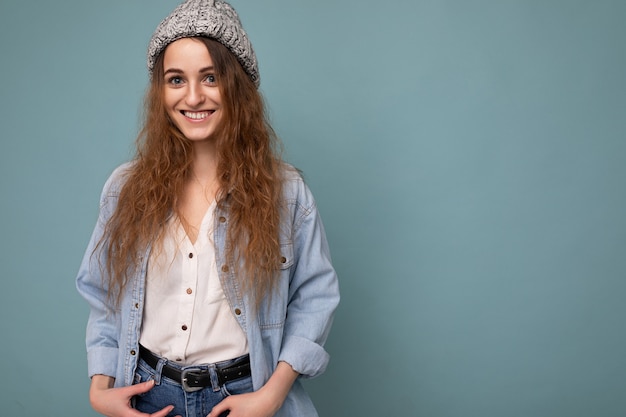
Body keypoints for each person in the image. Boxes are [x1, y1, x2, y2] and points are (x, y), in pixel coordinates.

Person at [75, 1, 340, 416]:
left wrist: (271, 397)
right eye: (176, 79)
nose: (193, 96)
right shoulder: (125, 188)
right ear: (161, 91)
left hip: (247, 395)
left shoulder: (286, 192)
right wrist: (99, 389)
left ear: (236, 86)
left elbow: (315, 298)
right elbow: (104, 295)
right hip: (149, 394)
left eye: (210, 77)